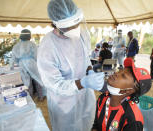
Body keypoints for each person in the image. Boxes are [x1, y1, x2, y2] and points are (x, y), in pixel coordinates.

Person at [37, 0, 105, 130]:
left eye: (76, 24)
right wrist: (83, 82)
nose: (74, 29)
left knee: (86, 123)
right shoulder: (48, 46)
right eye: (69, 26)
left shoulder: (82, 34)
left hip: (84, 97)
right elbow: (54, 84)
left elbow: (86, 59)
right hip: (64, 104)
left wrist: (90, 71)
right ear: (56, 24)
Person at [91, 58, 152, 131]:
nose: (116, 73)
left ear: (129, 90)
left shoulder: (132, 120)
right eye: (119, 70)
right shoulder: (103, 98)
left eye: (123, 76)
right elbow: (96, 125)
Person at [10, 29, 45, 100]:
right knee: (37, 79)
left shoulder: (16, 45)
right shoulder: (32, 44)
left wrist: (13, 65)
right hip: (31, 63)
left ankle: (30, 98)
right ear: (29, 36)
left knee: (26, 81)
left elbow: (13, 57)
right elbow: (36, 55)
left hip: (21, 64)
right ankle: (41, 96)